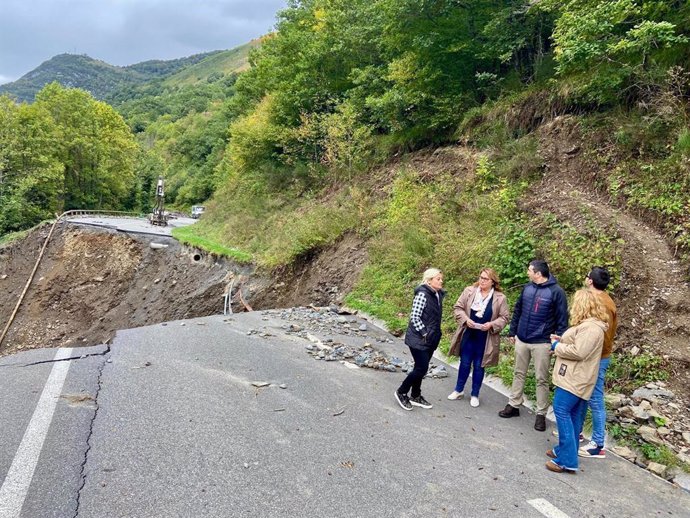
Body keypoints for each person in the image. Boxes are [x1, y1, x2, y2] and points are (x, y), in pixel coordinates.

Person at [498, 259, 568, 431]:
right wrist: (512, 331)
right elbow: (518, 310)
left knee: (541, 379)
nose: (527, 272)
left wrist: (556, 343)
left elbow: (562, 320)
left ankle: (541, 414)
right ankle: (514, 404)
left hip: (542, 343)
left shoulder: (556, 292)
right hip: (522, 338)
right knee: (518, 372)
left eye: (529, 270)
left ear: (538, 273)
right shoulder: (527, 288)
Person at [546, 289, 608, 473]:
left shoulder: (591, 328)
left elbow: (579, 352)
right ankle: (564, 451)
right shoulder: (590, 326)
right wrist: (562, 341)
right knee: (573, 416)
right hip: (579, 378)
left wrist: (557, 346)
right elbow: (578, 345)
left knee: (562, 410)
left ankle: (567, 460)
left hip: (576, 379)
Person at [447, 268, 510, 407]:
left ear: (493, 282)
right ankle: (458, 390)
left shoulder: (500, 298)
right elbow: (458, 307)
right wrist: (465, 319)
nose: (482, 281)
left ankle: (475, 394)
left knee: (479, 366)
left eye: (485, 279)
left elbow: (505, 317)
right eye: (481, 277)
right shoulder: (469, 291)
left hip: (486, 337)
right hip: (468, 334)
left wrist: (492, 324)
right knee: (464, 363)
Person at [578, 266, 618, 458]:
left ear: (590, 281)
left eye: (587, 277)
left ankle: (598, 444)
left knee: (595, 397)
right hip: (591, 354)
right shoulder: (599, 300)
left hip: (597, 357)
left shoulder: (603, 304)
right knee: (582, 393)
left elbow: (603, 335)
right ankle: (577, 432)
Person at [395, 268, 446, 411]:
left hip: (431, 338)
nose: (441, 281)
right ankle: (401, 391)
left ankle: (416, 395)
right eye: (438, 279)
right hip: (419, 338)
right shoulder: (423, 294)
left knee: (420, 368)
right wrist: (424, 333)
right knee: (422, 368)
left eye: (441, 278)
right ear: (429, 280)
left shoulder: (437, 295)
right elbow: (415, 317)